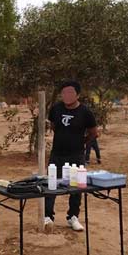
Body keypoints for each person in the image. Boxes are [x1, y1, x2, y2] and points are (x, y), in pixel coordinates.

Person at [44, 80, 98, 231]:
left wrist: (81, 142)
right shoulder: (56, 109)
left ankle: (73, 217)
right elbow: (54, 126)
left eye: (70, 92)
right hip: (57, 154)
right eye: (64, 93)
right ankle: (48, 217)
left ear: (78, 95)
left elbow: (94, 133)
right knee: (51, 185)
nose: (66, 95)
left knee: (76, 187)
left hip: (76, 155)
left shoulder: (86, 112)